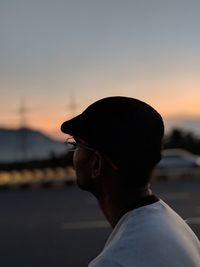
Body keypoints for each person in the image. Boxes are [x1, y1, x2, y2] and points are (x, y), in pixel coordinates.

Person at [61, 96, 200, 267]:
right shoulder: (174, 224)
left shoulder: (114, 262)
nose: (73, 155)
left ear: (96, 164)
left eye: (77, 145)